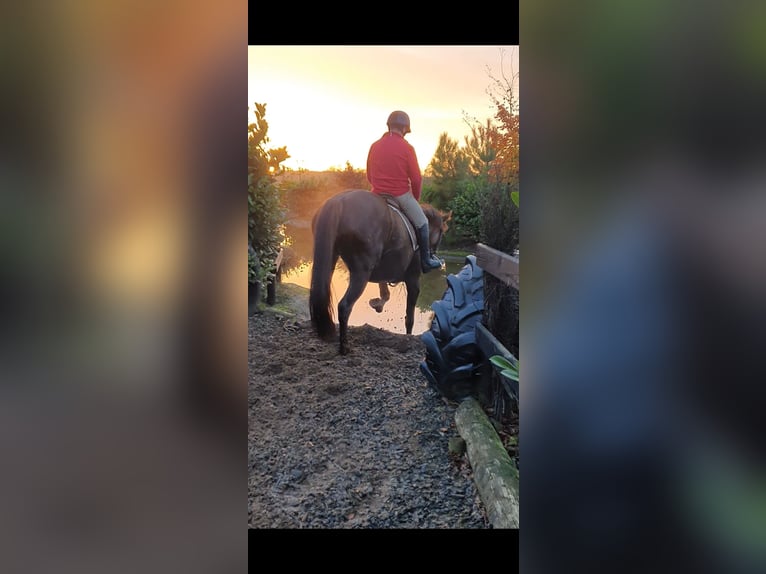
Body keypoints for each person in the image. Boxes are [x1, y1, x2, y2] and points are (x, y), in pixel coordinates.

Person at [367, 110, 443, 273]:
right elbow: (416, 179)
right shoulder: (407, 148)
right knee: (423, 222)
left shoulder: (375, 145)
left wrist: (378, 187)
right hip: (399, 195)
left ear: (389, 126)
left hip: (376, 194)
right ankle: (426, 261)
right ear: (405, 129)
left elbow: (369, 175)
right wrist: (414, 198)